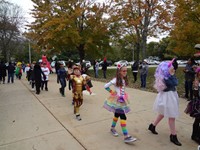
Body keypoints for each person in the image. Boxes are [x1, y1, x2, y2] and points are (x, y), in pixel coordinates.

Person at [148, 59, 182, 146]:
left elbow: (175, 82)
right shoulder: (166, 78)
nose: (173, 68)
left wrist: (171, 74)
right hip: (168, 97)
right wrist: (172, 75)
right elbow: (175, 83)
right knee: (172, 116)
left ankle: (152, 126)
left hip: (169, 96)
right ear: (165, 70)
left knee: (162, 113)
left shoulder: (166, 76)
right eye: (171, 68)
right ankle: (173, 136)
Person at [103, 63, 137, 143]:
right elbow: (105, 86)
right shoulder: (115, 80)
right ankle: (126, 136)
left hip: (122, 100)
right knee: (123, 117)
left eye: (126, 71)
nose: (125, 72)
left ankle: (112, 128)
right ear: (119, 72)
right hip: (117, 101)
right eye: (123, 71)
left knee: (117, 115)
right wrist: (112, 92)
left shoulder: (123, 79)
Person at [185, 67, 200, 144]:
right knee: (197, 119)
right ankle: (194, 135)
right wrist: (196, 88)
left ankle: (198, 134)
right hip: (198, 103)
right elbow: (195, 94)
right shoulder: (196, 82)